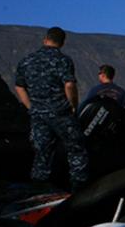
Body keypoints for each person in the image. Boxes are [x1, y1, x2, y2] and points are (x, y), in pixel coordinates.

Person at [13, 26, 89, 191]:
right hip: (61, 113)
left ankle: (39, 190)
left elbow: (19, 87)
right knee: (76, 149)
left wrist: (31, 107)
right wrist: (73, 105)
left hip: (38, 116)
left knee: (42, 153)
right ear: (62, 42)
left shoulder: (27, 60)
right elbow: (69, 85)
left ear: (45, 39)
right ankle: (79, 190)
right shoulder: (63, 60)